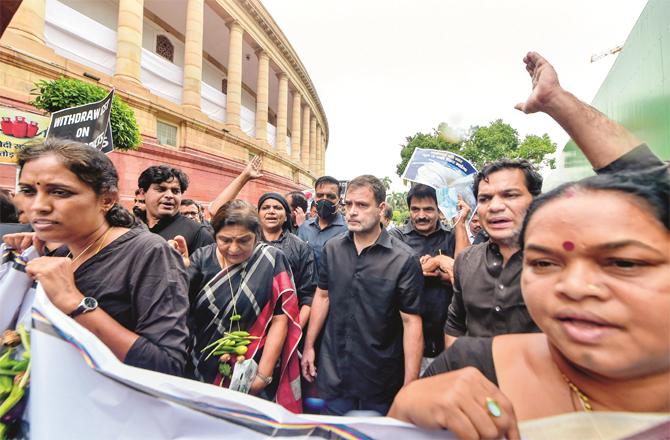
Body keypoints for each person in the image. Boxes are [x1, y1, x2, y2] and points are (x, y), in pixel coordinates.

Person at [388, 51, 670, 438]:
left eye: (622, 263)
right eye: (544, 264)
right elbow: (456, 325)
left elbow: (655, 185)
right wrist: (411, 408)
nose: (575, 285)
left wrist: (557, 102)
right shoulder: (473, 358)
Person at [6, 138, 190, 375]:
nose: (38, 206)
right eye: (29, 191)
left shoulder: (149, 252)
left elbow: (167, 365)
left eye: (60, 192)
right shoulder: (58, 251)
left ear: (106, 199)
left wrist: (74, 301)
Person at [301, 175, 424, 416]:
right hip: (334, 373)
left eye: (362, 205)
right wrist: (309, 346)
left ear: (380, 209)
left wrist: (410, 385)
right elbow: (322, 296)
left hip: (380, 379)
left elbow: (411, 322)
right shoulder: (333, 249)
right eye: (348, 205)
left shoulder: (404, 259)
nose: (352, 212)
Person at [185, 200, 302, 412]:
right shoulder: (200, 260)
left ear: (257, 236)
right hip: (202, 365)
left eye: (244, 241)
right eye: (225, 240)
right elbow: (179, 308)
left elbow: (280, 317)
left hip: (253, 367)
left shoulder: (271, 259)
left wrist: (262, 376)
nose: (234, 248)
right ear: (215, 236)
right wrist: (175, 269)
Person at [389, 184, 470, 365]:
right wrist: (440, 262)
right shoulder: (396, 236)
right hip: (404, 341)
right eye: (415, 209)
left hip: (447, 338)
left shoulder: (451, 235)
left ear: (439, 210)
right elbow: (395, 273)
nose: (421, 215)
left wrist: (461, 222)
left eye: (428, 209)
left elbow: (466, 274)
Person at [257, 192, 317, 328]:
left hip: (288, 323)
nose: (271, 211)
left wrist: (296, 329)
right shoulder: (247, 242)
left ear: (286, 217)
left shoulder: (301, 247)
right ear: (258, 215)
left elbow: (309, 294)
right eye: (265, 207)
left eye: (277, 208)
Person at [138, 165, 214, 254]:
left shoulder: (199, 233)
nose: (169, 195)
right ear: (143, 193)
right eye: (161, 189)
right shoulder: (131, 227)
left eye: (175, 191)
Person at [297, 176, 348, 266]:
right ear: (315, 198)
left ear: (339, 201)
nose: (324, 200)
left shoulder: (349, 230)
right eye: (320, 195)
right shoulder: (304, 228)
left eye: (330, 196)